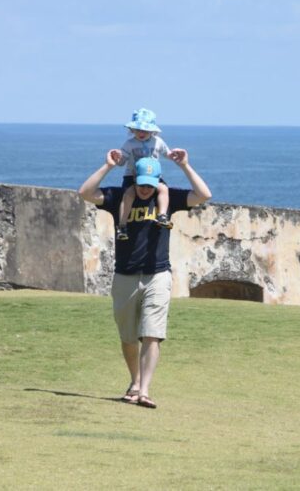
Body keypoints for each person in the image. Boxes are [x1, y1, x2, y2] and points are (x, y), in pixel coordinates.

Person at [78, 148, 212, 409]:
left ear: (158, 183)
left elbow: (204, 195)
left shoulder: (168, 198)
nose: (145, 190)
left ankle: (145, 391)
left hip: (158, 275)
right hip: (125, 275)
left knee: (152, 334)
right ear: (135, 180)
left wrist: (185, 166)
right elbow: (85, 193)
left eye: (151, 186)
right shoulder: (119, 197)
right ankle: (134, 381)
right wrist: (107, 166)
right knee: (128, 336)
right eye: (141, 185)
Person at [116, 108, 172, 241]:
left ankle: (162, 215)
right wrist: (116, 158)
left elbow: (167, 154)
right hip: (132, 175)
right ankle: (122, 225)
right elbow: (121, 162)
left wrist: (175, 155)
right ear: (132, 129)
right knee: (129, 194)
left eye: (145, 130)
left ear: (152, 131)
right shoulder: (129, 144)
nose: (141, 133)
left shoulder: (158, 142)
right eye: (138, 130)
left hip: (153, 176)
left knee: (163, 189)